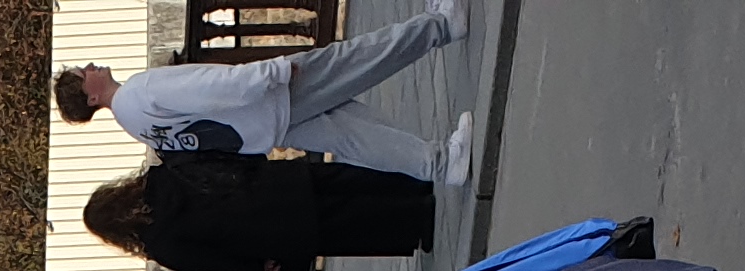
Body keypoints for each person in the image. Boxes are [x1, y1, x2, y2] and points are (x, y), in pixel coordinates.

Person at [57, 18, 477, 188]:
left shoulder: (133, 124)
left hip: (261, 131)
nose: (90, 64)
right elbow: (211, 86)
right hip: (270, 97)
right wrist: (271, 72)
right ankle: (441, 27)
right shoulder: (139, 91)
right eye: (83, 71)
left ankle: (439, 164)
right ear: (91, 95)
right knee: (358, 59)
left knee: (351, 138)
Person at [80, 153, 441, 271]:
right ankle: (411, 187)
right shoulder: (159, 177)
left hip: (266, 228)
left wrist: (254, 269)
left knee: (348, 224)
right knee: (346, 180)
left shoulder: (161, 244)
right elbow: (212, 161)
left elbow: (211, 259)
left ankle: (414, 221)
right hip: (269, 183)